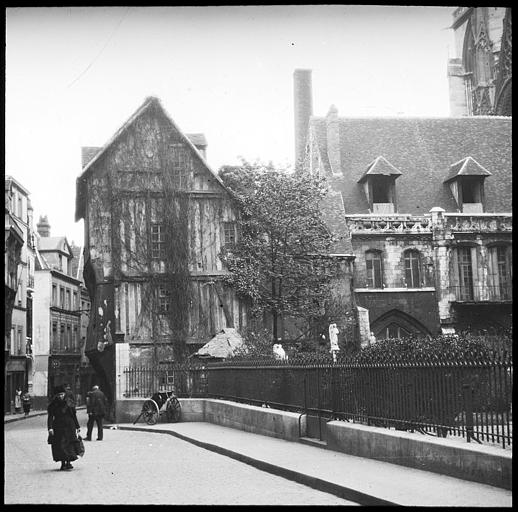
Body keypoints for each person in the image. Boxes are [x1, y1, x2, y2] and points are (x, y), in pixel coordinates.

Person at [47, 385, 81, 470]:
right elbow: (50, 417)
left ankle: (68, 462)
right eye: (59, 395)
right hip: (58, 426)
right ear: (56, 395)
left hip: (70, 425)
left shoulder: (69, 403)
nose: (60, 396)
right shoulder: (53, 404)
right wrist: (50, 428)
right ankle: (62, 463)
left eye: (62, 394)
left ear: (64, 394)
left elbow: (74, 416)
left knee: (69, 444)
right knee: (60, 445)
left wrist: (77, 426)